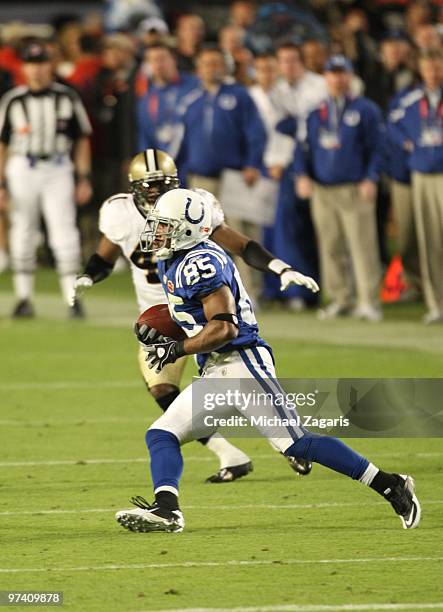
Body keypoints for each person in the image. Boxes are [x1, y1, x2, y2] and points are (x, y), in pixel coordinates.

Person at [114, 187, 420, 534]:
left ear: (187, 229)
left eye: (166, 226)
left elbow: (225, 328)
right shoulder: (175, 258)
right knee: (161, 434)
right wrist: (167, 329)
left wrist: (179, 348)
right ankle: (167, 510)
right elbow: (194, 315)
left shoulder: (201, 263)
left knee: (296, 442)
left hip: (243, 364)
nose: (157, 233)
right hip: (217, 370)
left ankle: (391, 484)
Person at [71, 148, 318, 480]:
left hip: (204, 311)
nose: (158, 193)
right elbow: (104, 256)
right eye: (150, 186)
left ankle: (288, 443)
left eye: (164, 185)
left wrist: (280, 268)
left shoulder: (191, 208)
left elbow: (242, 245)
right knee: (162, 389)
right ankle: (228, 453)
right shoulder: (121, 213)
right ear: (134, 189)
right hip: (162, 317)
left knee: (241, 382)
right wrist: (87, 275)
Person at [0, 41, 92, 318]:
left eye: (41, 63)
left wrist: (83, 176)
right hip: (22, 166)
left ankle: (72, 298)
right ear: (24, 67)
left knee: (63, 231)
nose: (36, 69)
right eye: (31, 63)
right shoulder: (13, 100)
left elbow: (81, 139)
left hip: (58, 166)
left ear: (50, 65)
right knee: (23, 229)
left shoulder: (67, 97)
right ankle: (24, 297)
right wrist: (1, 182)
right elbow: (2, 143)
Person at [294, 55, 383, 322]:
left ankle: (369, 301)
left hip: (354, 187)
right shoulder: (315, 111)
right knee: (330, 246)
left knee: (361, 245)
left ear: (350, 76)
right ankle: (340, 298)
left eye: (342, 73)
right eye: (332, 73)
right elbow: (302, 148)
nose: (337, 78)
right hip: (323, 189)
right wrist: (301, 175)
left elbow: (377, 148)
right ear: (326, 78)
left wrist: (371, 177)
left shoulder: (365, 109)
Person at [268, 42, 327, 310]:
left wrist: (295, 123)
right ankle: (302, 292)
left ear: (302, 62)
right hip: (293, 165)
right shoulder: (278, 90)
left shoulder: (319, 85)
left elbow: (309, 125)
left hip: (324, 164)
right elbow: (280, 127)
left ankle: (334, 290)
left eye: (293, 60)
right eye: (283, 61)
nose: (288, 66)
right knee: (291, 229)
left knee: (325, 229)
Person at [389, 49, 443, 324]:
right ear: (421, 70)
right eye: (429, 68)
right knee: (430, 240)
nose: (433, 73)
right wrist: (408, 144)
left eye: (437, 68)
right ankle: (437, 304)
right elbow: (393, 123)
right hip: (422, 174)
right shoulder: (410, 98)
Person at [136, 43, 199, 158]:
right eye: (152, 60)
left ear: (173, 59)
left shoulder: (195, 86)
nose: (158, 64)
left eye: (162, 59)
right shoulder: (146, 98)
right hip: (165, 167)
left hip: (193, 165)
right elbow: (145, 137)